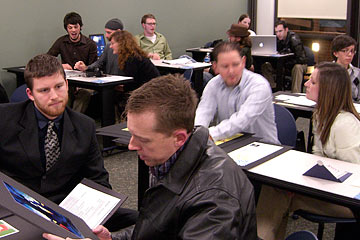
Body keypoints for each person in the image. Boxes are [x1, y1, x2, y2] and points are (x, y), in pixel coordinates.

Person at [43, 74, 257, 240]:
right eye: (131, 134)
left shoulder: (215, 201)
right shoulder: (175, 157)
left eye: (142, 139)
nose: (131, 145)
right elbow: (157, 229)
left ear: (179, 138)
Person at [0, 54, 137, 232]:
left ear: (67, 85)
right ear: (30, 94)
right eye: (44, 90)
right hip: (17, 208)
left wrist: (97, 212)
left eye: (59, 86)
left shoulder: (84, 126)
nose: (54, 96)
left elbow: (98, 179)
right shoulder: (4, 119)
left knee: (144, 219)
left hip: (65, 208)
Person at [256, 62, 359, 240]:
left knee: (277, 194)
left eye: (312, 82)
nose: (305, 84)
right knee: (277, 188)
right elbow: (318, 156)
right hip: (329, 188)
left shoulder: (345, 125)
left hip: (350, 202)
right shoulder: (321, 114)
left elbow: (355, 177)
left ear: (328, 89)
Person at [195, 42, 280, 144]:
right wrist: (197, 134)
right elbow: (203, 113)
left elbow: (242, 120)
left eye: (235, 64)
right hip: (230, 144)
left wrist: (208, 134)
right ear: (215, 66)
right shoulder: (213, 85)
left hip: (264, 148)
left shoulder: (259, 85)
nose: (231, 71)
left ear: (243, 62)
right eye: (225, 66)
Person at [47, 12, 98, 113]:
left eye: (76, 27)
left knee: (84, 94)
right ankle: (64, 119)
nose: (73, 30)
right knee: (64, 94)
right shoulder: (61, 42)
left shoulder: (90, 44)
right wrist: (60, 65)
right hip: (67, 81)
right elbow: (47, 59)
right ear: (67, 29)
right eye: (70, 27)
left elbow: (95, 67)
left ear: (80, 27)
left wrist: (85, 67)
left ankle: (74, 121)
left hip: (86, 83)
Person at [274, 20, 307, 93]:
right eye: (276, 32)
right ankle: (273, 89)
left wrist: (287, 61)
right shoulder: (276, 40)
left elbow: (301, 59)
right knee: (266, 66)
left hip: (299, 64)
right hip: (284, 63)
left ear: (286, 30)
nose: (278, 34)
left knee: (297, 68)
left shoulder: (294, 39)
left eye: (280, 31)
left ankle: (295, 93)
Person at [331, 34, 360, 102]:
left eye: (352, 51)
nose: (350, 54)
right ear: (335, 53)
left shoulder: (358, 73)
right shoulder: (325, 72)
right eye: (345, 51)